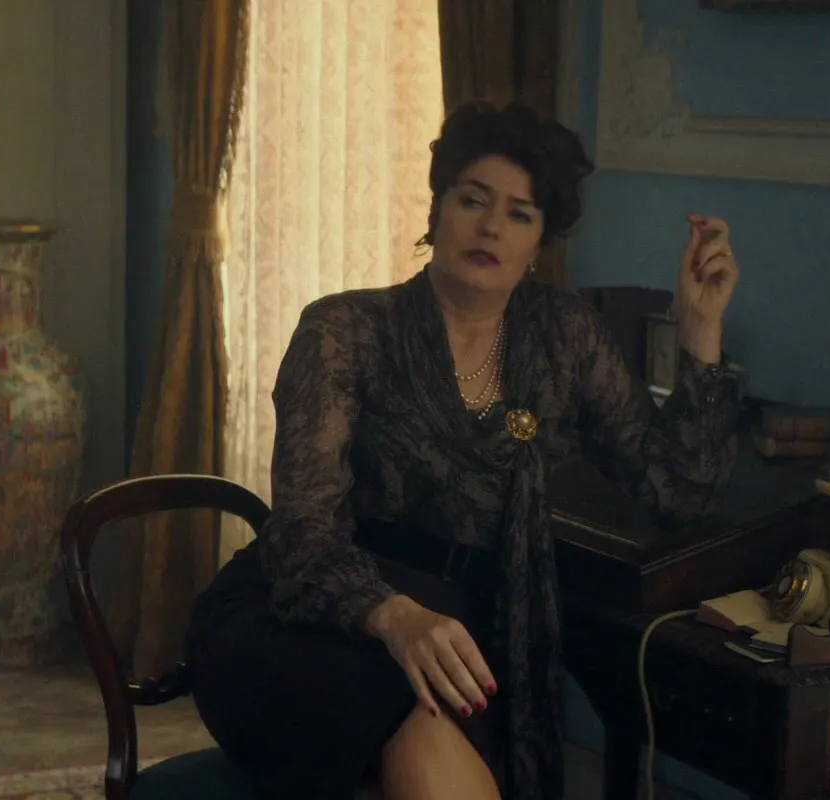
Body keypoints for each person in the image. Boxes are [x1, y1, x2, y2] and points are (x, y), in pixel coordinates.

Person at [184, 100, 745, 800]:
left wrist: (700, 328)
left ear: (539, 240)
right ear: (437, 209)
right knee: (410, 711)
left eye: (519, 213)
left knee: (429, 711)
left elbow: (678, 489)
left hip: (465, 636)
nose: (490, 227)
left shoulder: (564, 334)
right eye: (473, 200)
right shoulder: (343, 331)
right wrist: (397, 619)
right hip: (306, 620)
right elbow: (302, 537)